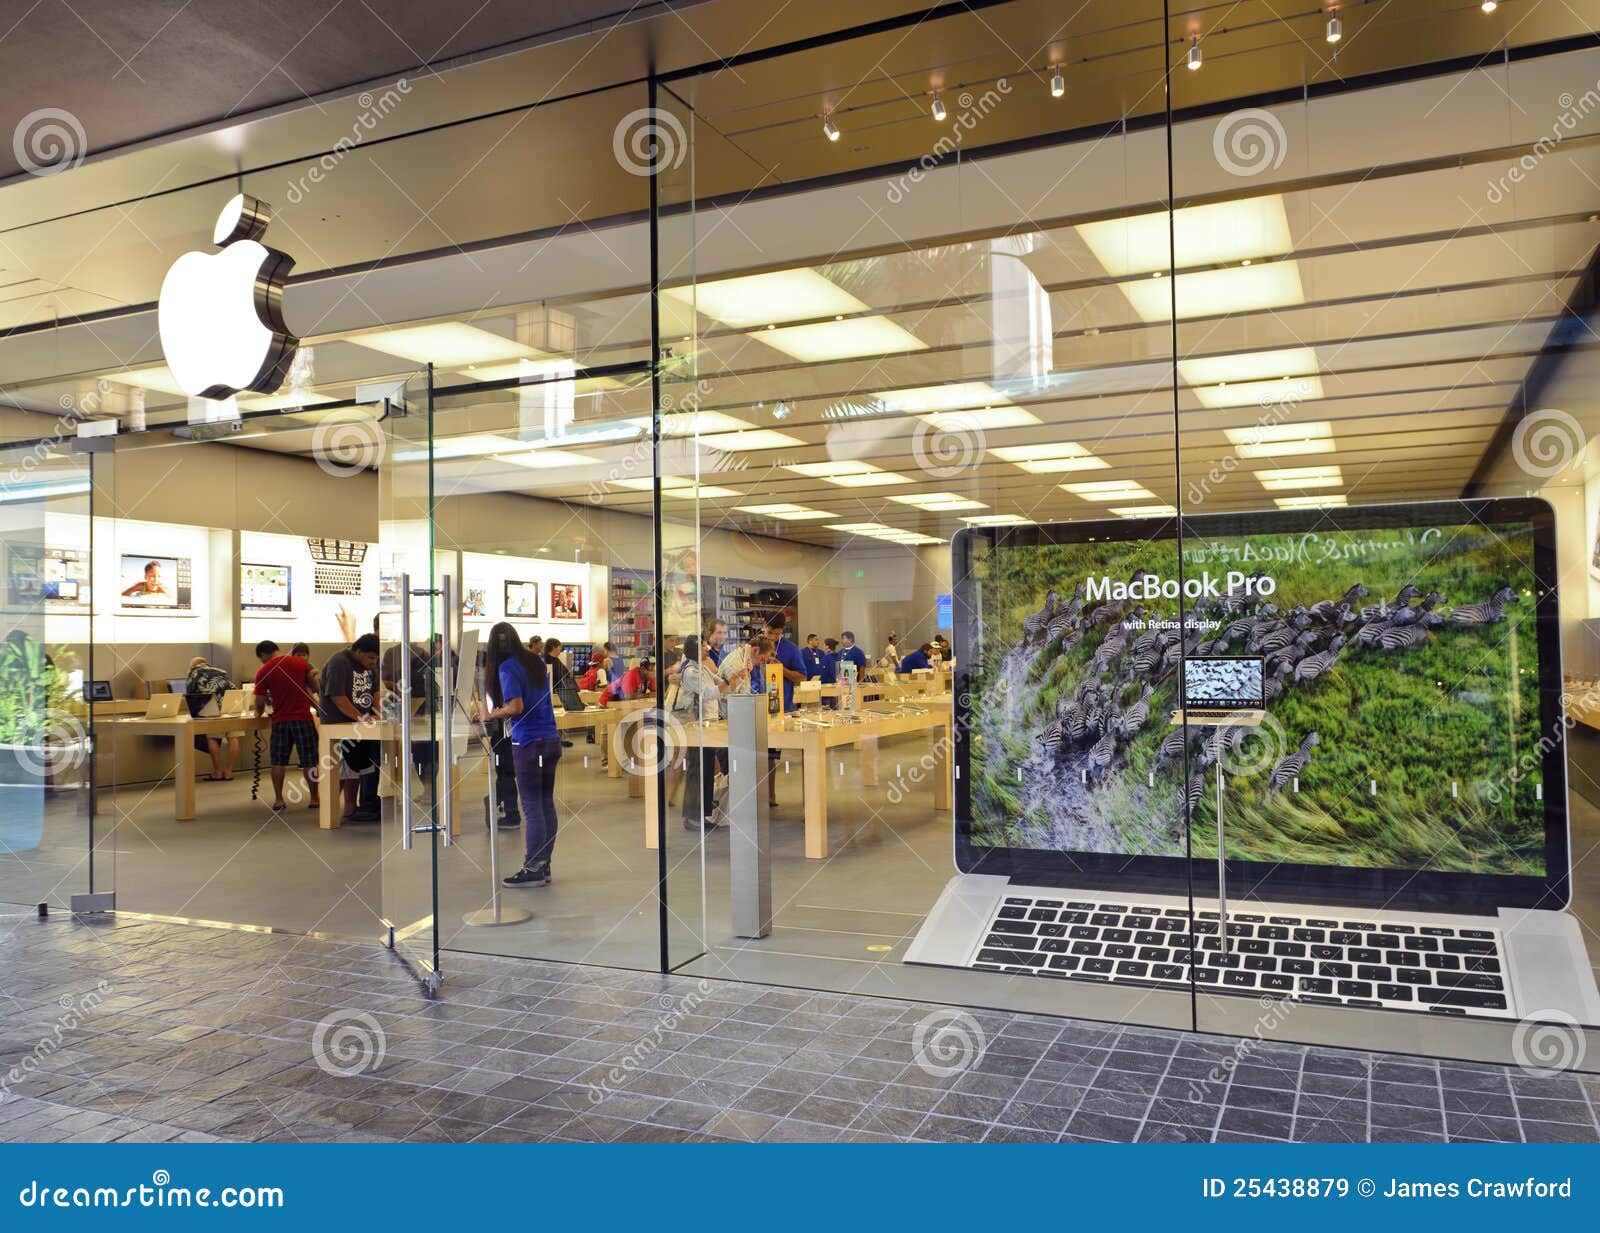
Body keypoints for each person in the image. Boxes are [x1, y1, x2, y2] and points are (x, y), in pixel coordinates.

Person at [483, 622, 560, 887]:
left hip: (527, 743)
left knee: (532, 807)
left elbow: (516, 706)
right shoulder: (535, 662)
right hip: (550, 739)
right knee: (545, 803)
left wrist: (491, 713)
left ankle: (533, 867)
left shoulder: (506, 667)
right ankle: (543, 864)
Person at [671, 635, 735, 831]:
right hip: (697, 727)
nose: (707, 649)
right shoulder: (690, 672)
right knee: (697, 770)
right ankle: (692, 817)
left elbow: (720, 684)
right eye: (703, 647)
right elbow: (709, 692)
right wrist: (726, 683)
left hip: (708, 726)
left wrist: (733, 679)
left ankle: (703, 813)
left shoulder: (703, 668)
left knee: (706, 769)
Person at [320, 633, 382, 823]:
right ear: (358, 651)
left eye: (376, 658)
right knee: (344, 770)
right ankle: (332, 808)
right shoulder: (338, 663)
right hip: (339, 724)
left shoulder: (370, 666)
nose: (373, 662)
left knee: (360, 767)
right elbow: (338, 698)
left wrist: (377, 713)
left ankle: (354, 807)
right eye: (371, 657)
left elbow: (376, 691)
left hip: (362, 725)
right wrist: (361, 717)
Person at [252, 640, 318, 811]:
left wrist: (258, 713)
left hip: (280, 721)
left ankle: (279, 800)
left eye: (262, 659)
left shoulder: (263, 671)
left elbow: (259, 702)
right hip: (303, 718)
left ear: (264, 655)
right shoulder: (302, 663)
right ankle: (314, 798)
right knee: (309, 761)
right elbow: (315, 687)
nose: (263, 662)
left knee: (278, 761)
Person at [184, 655, 238, 781]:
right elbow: (233, 688)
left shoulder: (194, 672)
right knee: (233, 737)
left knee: (212, 737)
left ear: (193, 665)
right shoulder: (220, 671)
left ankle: (218, 772)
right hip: (230, 708)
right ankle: (229, 772)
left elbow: (190, 694)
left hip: (212, 709)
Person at [820, 637, 840, 709]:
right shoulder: (838, 656)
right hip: (837, 686)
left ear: (827, 646)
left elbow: (824, 673)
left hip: (827, 687)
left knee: (828, 709)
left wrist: (820, 683)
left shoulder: (827, 657)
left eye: (824, 645)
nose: (823, 647)